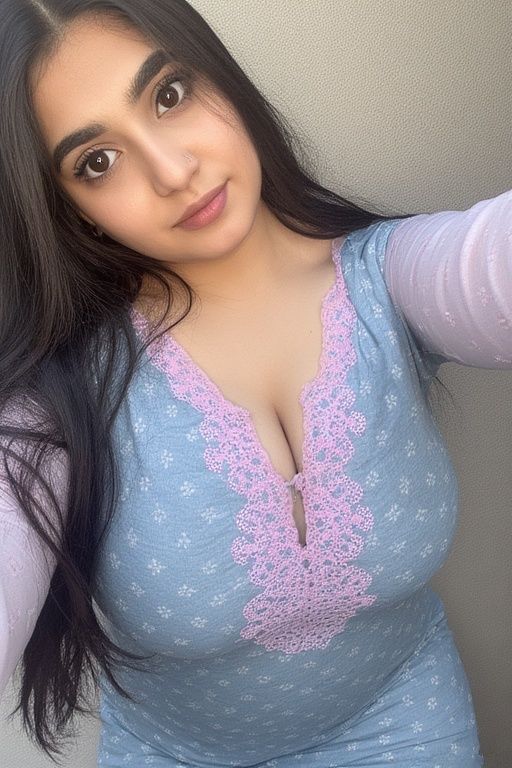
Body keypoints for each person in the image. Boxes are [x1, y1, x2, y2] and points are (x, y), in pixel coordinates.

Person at [0, 0, 510, 766]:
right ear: (70, 206)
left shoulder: (391, 280)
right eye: (96, 161)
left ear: (221, 79)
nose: (174, 171)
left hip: (404, 720)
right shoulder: (61, 396)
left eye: (169, 94)